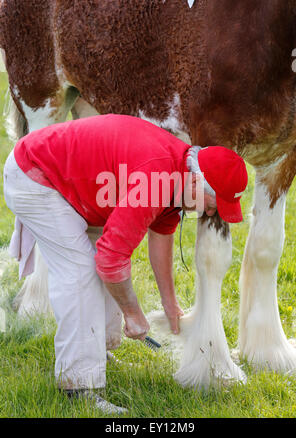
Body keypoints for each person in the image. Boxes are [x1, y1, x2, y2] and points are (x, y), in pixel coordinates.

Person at [3, 114, 248, 414]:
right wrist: (133, 314)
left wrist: (169, 303)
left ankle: (95, 350)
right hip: (36, 175)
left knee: (99, 267)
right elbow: (110, 258)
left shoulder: (177, 172)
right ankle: (78, 386)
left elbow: (161, 240)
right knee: (82, 273)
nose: (208, 214)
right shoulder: (155, 178)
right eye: (212, 205)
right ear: (197, 181)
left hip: (71, 183)